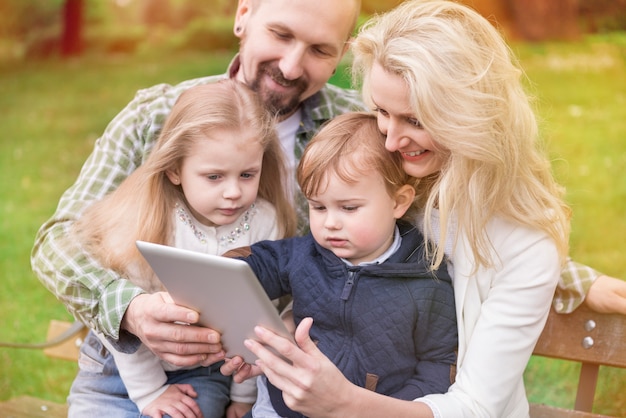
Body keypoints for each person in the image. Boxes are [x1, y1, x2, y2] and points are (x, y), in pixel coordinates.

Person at [30, 0, 625, 413]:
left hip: (262, 379)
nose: (292, 66)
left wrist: (568, 279)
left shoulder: (357, 128)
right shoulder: (160, 116)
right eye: (282, 35)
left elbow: (436, 212)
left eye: (318, 49)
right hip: (142, 373)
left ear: (339, 53)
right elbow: (58, 238)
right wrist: (128, 309)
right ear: (244, 16)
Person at [219, 1, 592, 416]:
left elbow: (474, 407)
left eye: (414, 120)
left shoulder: (524, 244)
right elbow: (326, 269)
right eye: (381, 111)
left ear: (470, 116)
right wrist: (276, 343)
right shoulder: (381, 178)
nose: (392, 141)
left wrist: (343, 402)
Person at [65, 80, 296, 417]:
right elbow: (125, 328)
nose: (233, 191)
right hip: (116, 369)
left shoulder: (266, 223)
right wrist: (150, 394)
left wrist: (243, 396)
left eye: (247, 174)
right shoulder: (147, 220)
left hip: (200, 373)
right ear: (175, 169)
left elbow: (256, 320)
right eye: (214, 177)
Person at [225, 112, 457, 418]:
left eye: (349, 208)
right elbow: (261, 264)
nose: (330, 223)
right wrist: (219, 268)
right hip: (285, 404)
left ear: (398, 202)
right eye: (318, 207)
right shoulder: (307, 254)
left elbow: (439, 365)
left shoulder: (426, 280)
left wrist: (387, 408)